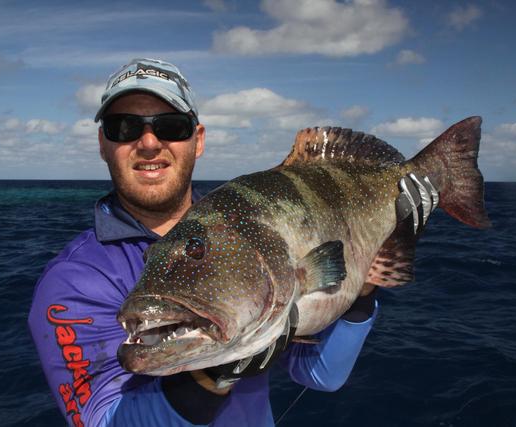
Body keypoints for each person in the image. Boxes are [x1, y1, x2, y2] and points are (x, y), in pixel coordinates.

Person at [28, 58, 381, 427]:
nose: (148, 142)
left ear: (197, 141)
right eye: (124, 127)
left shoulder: (250, 230)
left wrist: (365, 288)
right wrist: (211, 375)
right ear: (103, 144)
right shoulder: (73, 280)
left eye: (171, 126)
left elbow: (321, 374)